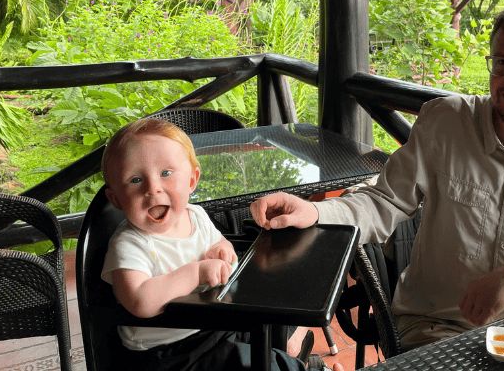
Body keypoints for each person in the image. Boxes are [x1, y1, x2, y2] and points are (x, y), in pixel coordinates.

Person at [250, 1, 504, 350]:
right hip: (436, 328)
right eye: (503, 62)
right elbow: (385, 200)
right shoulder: (445, 120)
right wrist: (316, 213)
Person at [101, 117, 342, 371]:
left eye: (166, 173)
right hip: (173, 351)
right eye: (136, 180)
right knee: (264, 363)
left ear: (192, 181)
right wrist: (194, 273)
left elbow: (221, 243)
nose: (153, 189)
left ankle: (294, 356)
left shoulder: (195, 216)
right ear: (115, 198)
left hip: (217, 323)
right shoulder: (128, 244)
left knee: (275, 326)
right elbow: (139, 300)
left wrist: (223, 251)